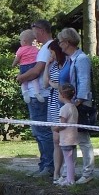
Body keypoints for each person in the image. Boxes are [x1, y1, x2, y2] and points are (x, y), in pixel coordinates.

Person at [57, 27, 95, 184]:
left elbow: (84, 81)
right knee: (69, 139)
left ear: (67, 42)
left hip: (80, 105)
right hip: (72, 104)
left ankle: (88, 172)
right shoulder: (70, 59)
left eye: (60, 42)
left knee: (83, 139)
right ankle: (67, 174)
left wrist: (77, 102)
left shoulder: (81, 59)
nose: (59, 45)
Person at [17, 20, 55, 177]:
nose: (33, 35)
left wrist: (20, 78)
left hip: (40, 95)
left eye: (35, 31)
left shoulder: (47, 48)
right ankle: (43, 165)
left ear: (41, 30)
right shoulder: (44, 48)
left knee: (42, 131)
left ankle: (48, 166)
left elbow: (37, 71)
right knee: (38, 131)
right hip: (36, 94)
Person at [42, 39, 66, 182]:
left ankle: (64, 170)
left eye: (52, 52)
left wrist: (53, 84)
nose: (51, 55)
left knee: (61, 138)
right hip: (52, 104)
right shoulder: (53, 66)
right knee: (55, 139)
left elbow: (61, 86)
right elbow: (46, 84)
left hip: (61, 103)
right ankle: (56, 172)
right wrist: (46, 65)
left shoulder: (65, 65)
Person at [53, 83, 79, 186]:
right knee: (70, 160)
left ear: (62, 95)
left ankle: (70, 180)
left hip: (66, 139)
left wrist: (55, 128)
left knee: (68, 161)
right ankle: (68, 178)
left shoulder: (63, 109)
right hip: (73, 138)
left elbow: (62, 125)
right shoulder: (73, 107)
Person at [13, 30, 43, 104]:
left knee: (23, 79)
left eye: (20, 40)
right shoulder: (35, 49)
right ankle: (37, 92)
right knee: (34, 79)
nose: (20, 42)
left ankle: (25, 92)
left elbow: (17, 59)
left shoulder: (20, 49)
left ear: (24, 41)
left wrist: (13, 64)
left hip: (23, 66)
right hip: (33, 65)